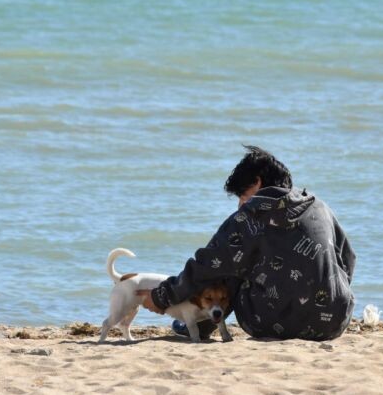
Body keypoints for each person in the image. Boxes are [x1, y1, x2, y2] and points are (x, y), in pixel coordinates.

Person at [139, 145, 356, 341]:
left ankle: (201, 325)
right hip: (335, 321)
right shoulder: (319, 206)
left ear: (257, 182)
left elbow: (205, 266)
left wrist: (162, 296)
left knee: (230, 264)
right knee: (247, 254)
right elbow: (348, 257)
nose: (240, 205)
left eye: (242, 195)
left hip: (274, 325)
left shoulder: (249, 216)